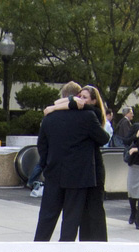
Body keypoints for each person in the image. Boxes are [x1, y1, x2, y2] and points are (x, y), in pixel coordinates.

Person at [34, 83, 110, 241]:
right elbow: (104, 139)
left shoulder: (50, 117)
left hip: (54, 172)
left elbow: (42, 145)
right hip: (78, 176)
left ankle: (38, 248)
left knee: (47, 216)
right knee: (71, 218)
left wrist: (48, 163)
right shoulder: (88, 117)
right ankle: (65, 250)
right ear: (76, 98)